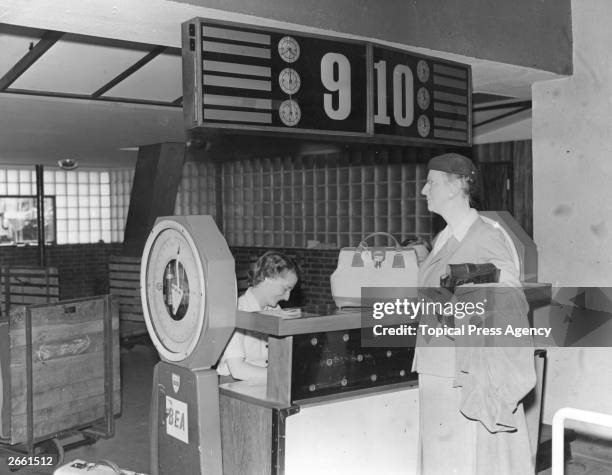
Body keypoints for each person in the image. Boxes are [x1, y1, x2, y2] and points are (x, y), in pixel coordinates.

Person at [415, 153, 536, 475]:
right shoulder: (443, 238)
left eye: (431, 182)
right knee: (442, 458)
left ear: (456, 187)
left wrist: (459, 311)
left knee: (467, 459)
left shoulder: (487, 235)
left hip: (466, 369)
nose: (424, 191)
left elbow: (511, 300)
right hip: (436, 363)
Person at [217, 251, 299, 383]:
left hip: (264, 380)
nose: (287, 297)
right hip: (233, 383)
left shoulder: (276, 310)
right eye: (285, 289)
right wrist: (283, 376)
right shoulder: (238, 310)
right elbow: (237, 370)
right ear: (268, 278)